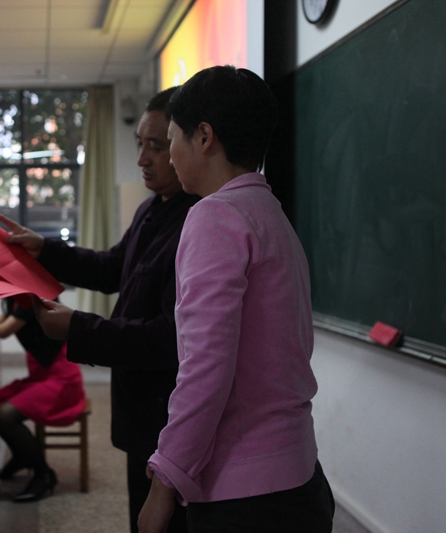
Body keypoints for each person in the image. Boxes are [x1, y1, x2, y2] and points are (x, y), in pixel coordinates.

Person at [138, 66, 335, 533]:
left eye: (171, 140)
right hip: (298, 475)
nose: (169, 155)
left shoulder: (215, 217)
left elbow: (206, 367)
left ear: (204, 137)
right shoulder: (269, 212)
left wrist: (165, 481)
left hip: (245, 494)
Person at [0, 87, 200, 533]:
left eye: (157, 146)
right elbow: (112, 268)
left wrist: (77, 327)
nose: (142, 159)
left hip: (168, 413)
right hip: (137, 406)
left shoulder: (198, 222)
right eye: (139, 144)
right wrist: (45, 249)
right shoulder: (151, 210)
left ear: (191, 143)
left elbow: (167, 338)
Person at [0, 296, 85, 503]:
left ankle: (43, 474)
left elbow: (5, 329)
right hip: (42, 374)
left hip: (61, 379)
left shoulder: (31, 297)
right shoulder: (19, 298)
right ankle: (22, 456)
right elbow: (6, 318)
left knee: (6, 415)